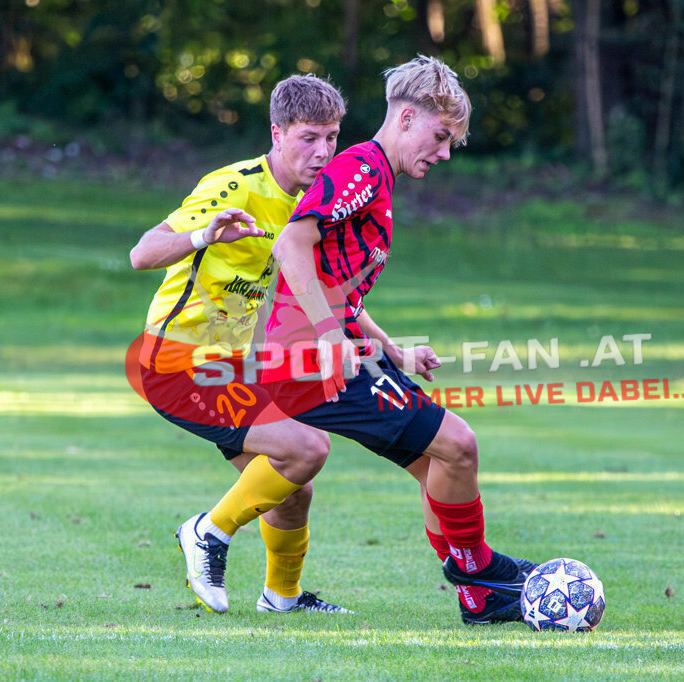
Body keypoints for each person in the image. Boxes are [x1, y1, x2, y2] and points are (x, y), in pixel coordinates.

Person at [261, 55, 536, 625]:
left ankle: (476, 588)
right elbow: (290, 245)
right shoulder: (361, 168)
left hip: (319, 350)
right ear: (407, 118)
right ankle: (479, 578)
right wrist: (331, 337)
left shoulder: (375, 176)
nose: (442, 153)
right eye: (439, 137)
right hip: (307, 359)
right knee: (458, 445)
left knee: (437, 468)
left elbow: (340, 290)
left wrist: (392, 350)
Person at [127, 74, 351, 615]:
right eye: (308, 138)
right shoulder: (235, 186)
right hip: (174, 362)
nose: (323, 152)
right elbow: (143, 252)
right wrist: (205, 236)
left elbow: (327, 288)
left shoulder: (313, 201)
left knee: (294, 489)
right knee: (307, 449)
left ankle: (283, 598)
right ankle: (207, 532)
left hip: (227, 367)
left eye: (332, 138)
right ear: (277, 132)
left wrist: (390, 347)